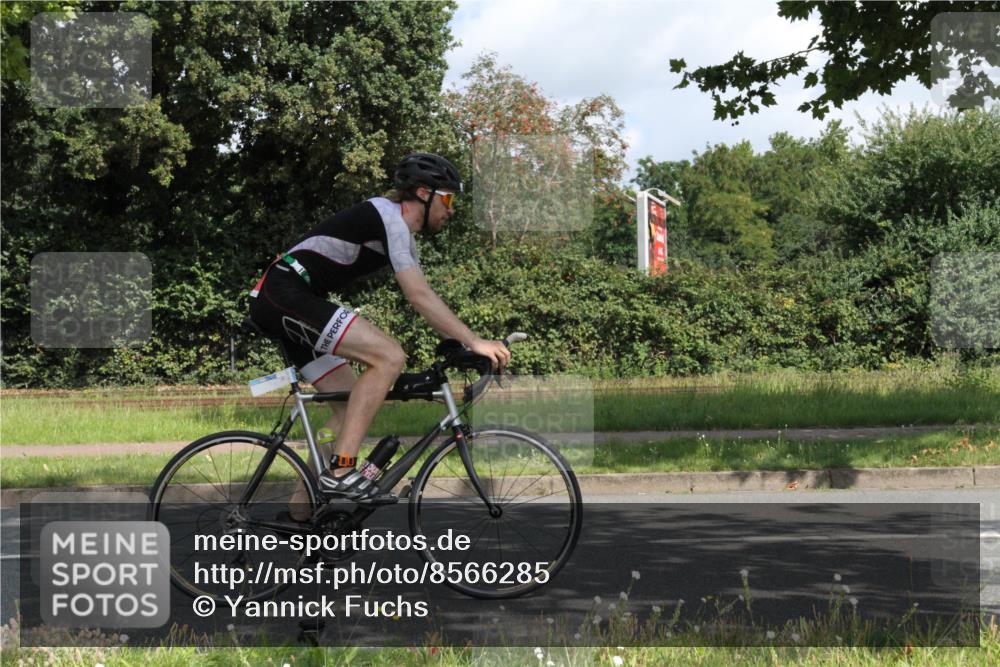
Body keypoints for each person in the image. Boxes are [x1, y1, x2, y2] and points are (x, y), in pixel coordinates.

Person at [248, 152, 510, 506]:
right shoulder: (388, 217)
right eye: (447, 198)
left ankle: (302, 513)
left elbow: (425, 297)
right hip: (283, 292)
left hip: (292, 297)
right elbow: (417, 296)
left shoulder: (401, 234)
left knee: (346, 403)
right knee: (388, 356)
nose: (451, 209)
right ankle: (342, 471)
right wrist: (474, 341)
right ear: (422, 192)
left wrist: (457, 342)